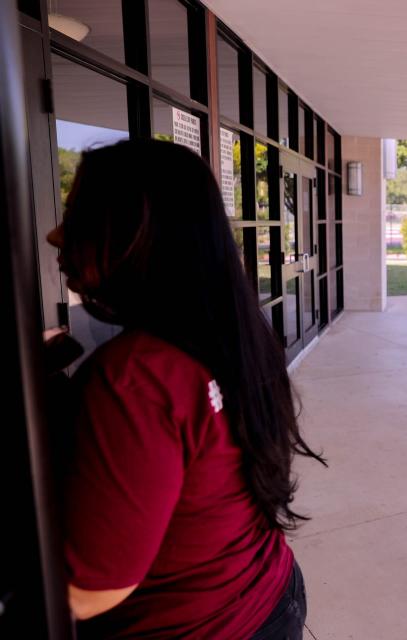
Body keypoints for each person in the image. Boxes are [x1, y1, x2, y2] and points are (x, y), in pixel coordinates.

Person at [46, 139, 323, 639]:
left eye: (76, 214)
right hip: (271, 596)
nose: (54, 235)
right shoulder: (235, 333)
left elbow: (90, 591)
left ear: (134, 232)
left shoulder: (136, 375)